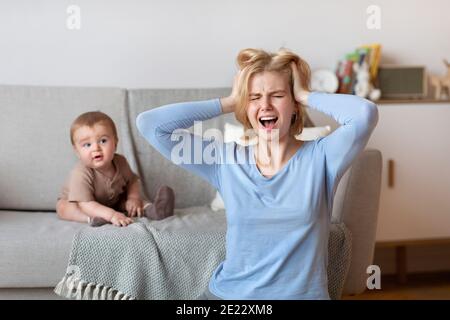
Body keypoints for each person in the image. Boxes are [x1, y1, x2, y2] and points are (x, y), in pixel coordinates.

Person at [136, 48, 378, 299]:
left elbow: (364, 114)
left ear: (294, 105)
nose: (265, 105)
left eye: (277, 95)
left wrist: (305, 94)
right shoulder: (224, 160)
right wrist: (230, 101)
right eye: (254, 97)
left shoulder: (323, 157)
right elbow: (150, 126)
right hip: (229, 296)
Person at [57, 111, 175, 227]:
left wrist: (133, 198)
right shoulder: (80, 173)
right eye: (87, 145)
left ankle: (155, 210)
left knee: (133, 202)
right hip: (83, 204)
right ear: (77, 151)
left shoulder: (120, 162)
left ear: (115, 143)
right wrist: (112, 215)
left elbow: (133, 181)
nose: (96, 148)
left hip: (114, 201)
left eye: (103, 141)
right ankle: (92, 219)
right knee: (64, 208)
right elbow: (86, 204)